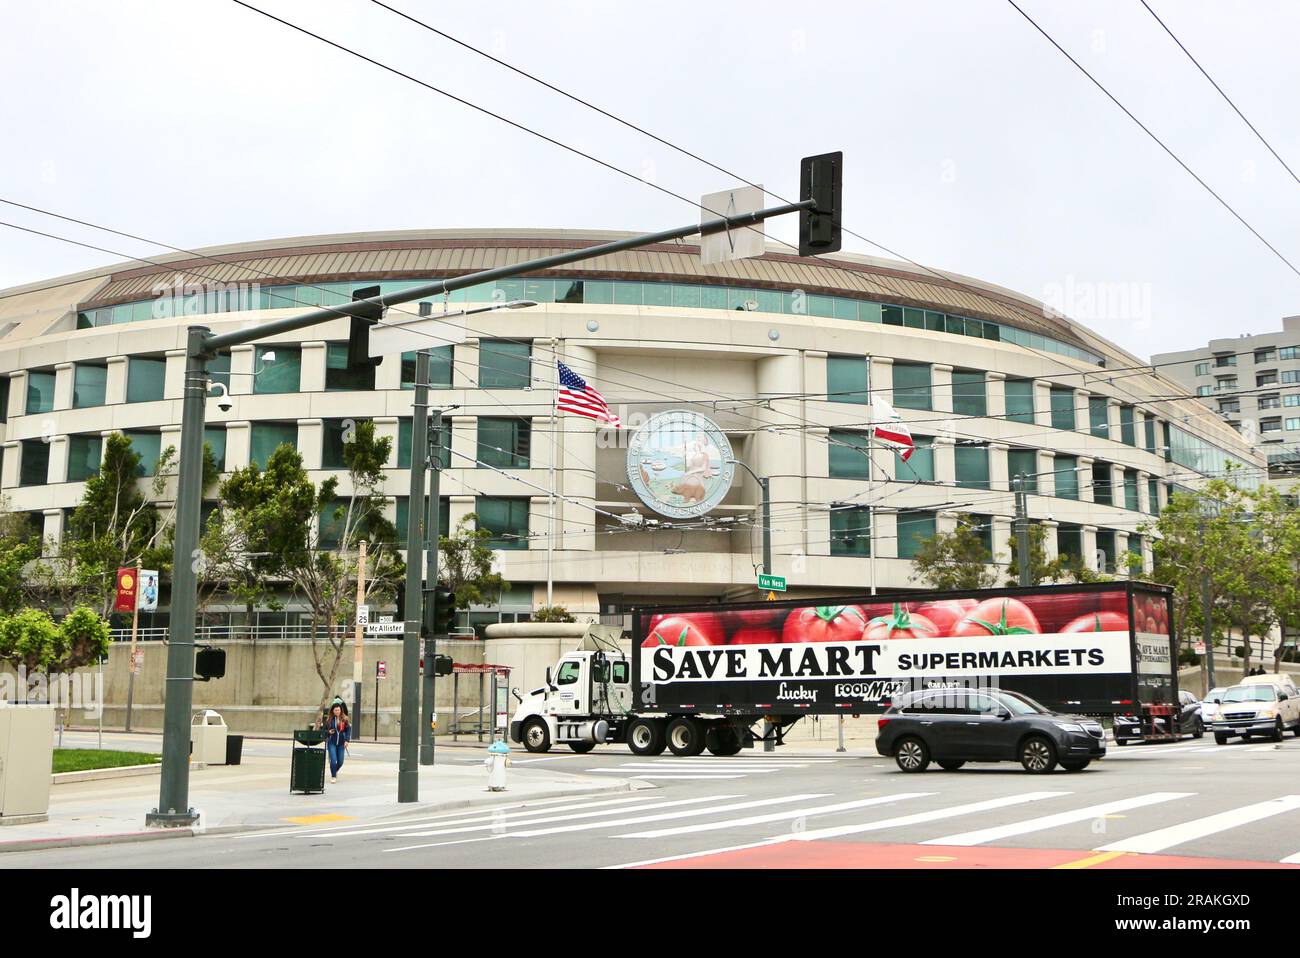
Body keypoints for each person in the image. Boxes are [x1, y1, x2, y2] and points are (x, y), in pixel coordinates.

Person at [323, 702, 350, 783]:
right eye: (336, 710)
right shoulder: (329, 720)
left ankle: (334, 770)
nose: (337, 711)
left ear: (341, 710)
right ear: (333, 711)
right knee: (333, 760)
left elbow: (348, 730)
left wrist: (347, 740)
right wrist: (329, 732)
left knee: (340, 761)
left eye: (338, 710)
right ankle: (333, 776)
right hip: (332, 743)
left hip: (341, 743)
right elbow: (323, 731)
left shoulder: (345, 719)